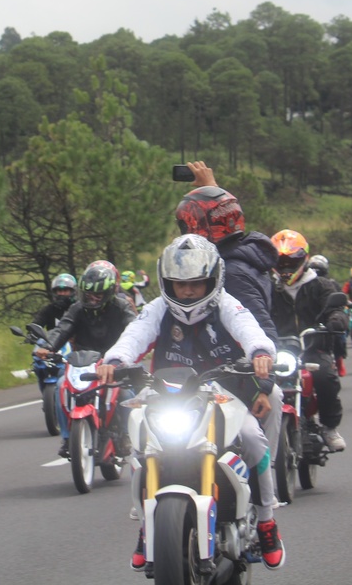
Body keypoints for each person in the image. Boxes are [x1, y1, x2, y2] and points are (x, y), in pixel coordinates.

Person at [96, 234, 284, 571]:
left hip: (223, 391)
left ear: (213, 280)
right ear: (166, 282)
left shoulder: (227, 304)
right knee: (138, 441)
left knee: (255, 440)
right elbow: (134, 336)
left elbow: (249, 328)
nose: (187, 291)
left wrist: (259, 353)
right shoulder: (157, 309)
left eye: (196, 284)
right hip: (166, 393)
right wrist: (115, 360)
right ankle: (146, 526)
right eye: (179, 284)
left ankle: (267, 522)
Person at [174, 168, 285, 485]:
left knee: (252, 436)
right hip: (214, 363)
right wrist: (212, 190)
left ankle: (265, 500)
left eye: (187, 226)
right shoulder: (244, 252)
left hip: (230, 370)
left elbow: (258, 326)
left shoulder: (229, 270)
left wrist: (263, 381)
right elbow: (221, 221)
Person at [34, 260, 138, 457]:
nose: (92, 299)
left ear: (108, 293)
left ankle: (126, 434)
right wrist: (48, 346)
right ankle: (67, 438)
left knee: (126, 393)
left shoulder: (122, 307)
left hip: (114, 361)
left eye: (97, 295)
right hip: (82, 362)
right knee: (60, 386)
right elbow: (63, 328)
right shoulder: (77, 309)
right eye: (88, 294)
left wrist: (126, 354)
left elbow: (134, 329)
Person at [268, 229, 349, 452]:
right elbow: (254, 311)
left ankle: (329, 427)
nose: (285, 267)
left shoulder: (321, 285)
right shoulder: (267, 288)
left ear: (303, 259)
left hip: (313, 348)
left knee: (325, 376)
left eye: (290, 261)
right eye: (280, 261)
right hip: (277, 350)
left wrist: (336, 320)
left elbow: (337, 308)